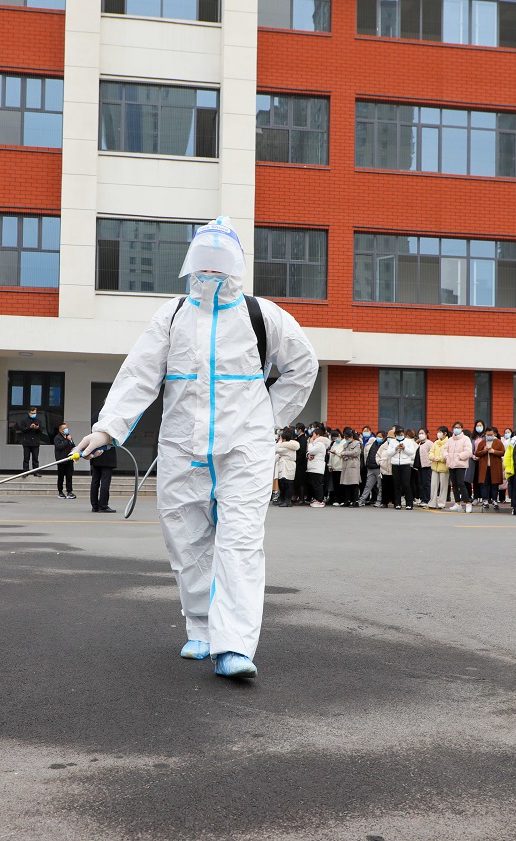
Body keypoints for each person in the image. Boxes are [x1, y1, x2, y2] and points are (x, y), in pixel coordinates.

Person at [78, 217, 318, 679]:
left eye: (218, 265)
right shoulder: (171, 316)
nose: (209, 272)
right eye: (203, 264)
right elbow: (138, 374)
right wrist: (107, 429)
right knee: (185, 540)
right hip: (182, 448)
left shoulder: (262, 315)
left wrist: (268, 418)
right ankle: (201, 627)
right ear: (190, 265)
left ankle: (235, 645)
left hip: (244, 449)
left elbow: (303, 365)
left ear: (235, 268)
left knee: (240, 543)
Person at [384, 425, 418, 510]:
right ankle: (397, 503)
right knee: (397, 484)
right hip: (395, 464)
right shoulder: (392, 442)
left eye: (401, 434)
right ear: (395, 435)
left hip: (405, 464)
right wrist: (396, 448)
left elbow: (411, 452)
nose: (400, 436)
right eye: (398, 434)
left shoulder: (409, 441)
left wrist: (404, 448)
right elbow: (389, 453)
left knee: (406, 484)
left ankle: (409, 503)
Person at [444, 422, 474, 512]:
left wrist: (459, 456)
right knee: (454, 484)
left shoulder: (465, 439)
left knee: (461, 483)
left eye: (459, 427)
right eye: (455, 427)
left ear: (462, 429)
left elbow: (468, 452)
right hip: (451, 464)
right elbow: (445, 450)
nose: (456, 429)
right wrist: (447, 456)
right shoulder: (450, 439)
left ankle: (468, 503)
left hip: (460, 464)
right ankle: (457, 503)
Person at [473, 427, 505, 511]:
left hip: (495, 466)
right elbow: (477, 453)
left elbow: (502, 452)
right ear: (485, 434)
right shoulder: (482, 442)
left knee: (495, 484)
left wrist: (494, 451)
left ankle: (494, 500)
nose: (489, 436)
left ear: (494, 434)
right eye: (488, 435)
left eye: (491, 435)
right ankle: (485, 500)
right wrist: (484, 451)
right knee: (484, 484)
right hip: (484, 467)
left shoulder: (498, 442)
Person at [16, 407, 49, 472]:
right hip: (27, 442)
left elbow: (41, 430)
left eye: (35, 413)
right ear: (29, 413)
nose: (34, 414)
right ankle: (25, 471)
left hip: (35, 442)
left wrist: (37, 428)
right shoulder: (24, 420)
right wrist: (30, 427)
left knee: (35, 458)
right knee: (26, 458)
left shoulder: (38, 421)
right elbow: (22, 430)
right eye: (32, 413)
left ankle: (36, 472)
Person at [87, 443, 117, 513]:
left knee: (95, 481)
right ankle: (103, 505)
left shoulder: (95, 431)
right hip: (107, 456)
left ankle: (95, 505)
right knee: (105, 481)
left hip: (96, 455)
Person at [273, 428, 299, 507]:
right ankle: (283, 499)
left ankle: (287, 500)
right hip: (284, 466)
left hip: (288, 466)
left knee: (288, 484)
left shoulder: (287, 447)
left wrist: (279, 442)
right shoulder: (287, 447)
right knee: (283, 483)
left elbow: (276, 449)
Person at [358, 430, 384, 506]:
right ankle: (362, 499)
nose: (378, 438)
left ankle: (379, 500)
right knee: (368, 485)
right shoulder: (373, 444)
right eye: (378, 436)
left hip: (379, 468)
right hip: (371, 467)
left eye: (380, 436)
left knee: (379, 486)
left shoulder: (383, 445)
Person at [306, 425, 329, 507]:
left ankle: (320, 500)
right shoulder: (317, 444)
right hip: (313, 466)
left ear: (317, 435)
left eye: (313, 434)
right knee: (314, 484)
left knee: (317, 484)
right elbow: (309, 452)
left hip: (317, 467)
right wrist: (308, 455)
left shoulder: (320, 444)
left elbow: (311, 450)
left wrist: (311, 443)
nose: (312, 436)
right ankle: (316, 498)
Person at [340, 427, 363, 506]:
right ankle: (347, 500)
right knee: (346, 484)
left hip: (353, 465)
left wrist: (345, 453)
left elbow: (355, 453)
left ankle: (355, 500)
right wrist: (344, 454)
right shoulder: (345, 444)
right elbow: (343, 453)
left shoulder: (357, 443)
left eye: (347, 437)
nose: (346, 439)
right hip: (346, 464)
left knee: (354, 484)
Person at [53, 422, 76, 499]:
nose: (66, 430)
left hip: (69, 459)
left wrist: (70, 441)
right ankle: (60, 491)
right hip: (61, 460)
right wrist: (67, 440)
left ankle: (69, 492)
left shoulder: (69, 436)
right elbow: (59, 446)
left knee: (69, 476)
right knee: (61, 476)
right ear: (60, 430)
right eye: (64, 429)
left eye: (67, 428)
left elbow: (73, 445)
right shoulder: (57, 438)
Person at [428, 427, 449, 509]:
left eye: (440, 432)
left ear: (445, 433)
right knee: (433, 485)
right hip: (434, 466)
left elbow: (447, 454)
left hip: (443, 467)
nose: (438, 433)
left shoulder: (448, 442)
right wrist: (432, 457)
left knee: (443, 486)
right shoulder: (436, 442)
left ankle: (441, 503)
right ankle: (432, 502)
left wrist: (440, 458)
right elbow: (431, 452)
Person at [415, 428, 433, 503]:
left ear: (426, 434)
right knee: (420, 483)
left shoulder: (429, 443)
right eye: (419, 433)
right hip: (420, 466)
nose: (420, 435)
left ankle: (427, 499)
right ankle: (422, 498)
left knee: (426, 483)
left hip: (427, 465)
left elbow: (432, 453)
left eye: (422, 433)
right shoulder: (419, 443)